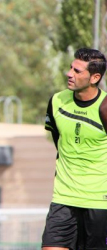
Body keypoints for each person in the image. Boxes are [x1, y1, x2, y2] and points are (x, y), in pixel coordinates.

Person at [42, 48, 107, 250]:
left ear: (95, 77)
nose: (70, 74)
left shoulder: (105, 107)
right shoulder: (56, 101)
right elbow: (58, 141)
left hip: (99, 203)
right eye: (71, 68)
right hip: (63, 199)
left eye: (77, 71)